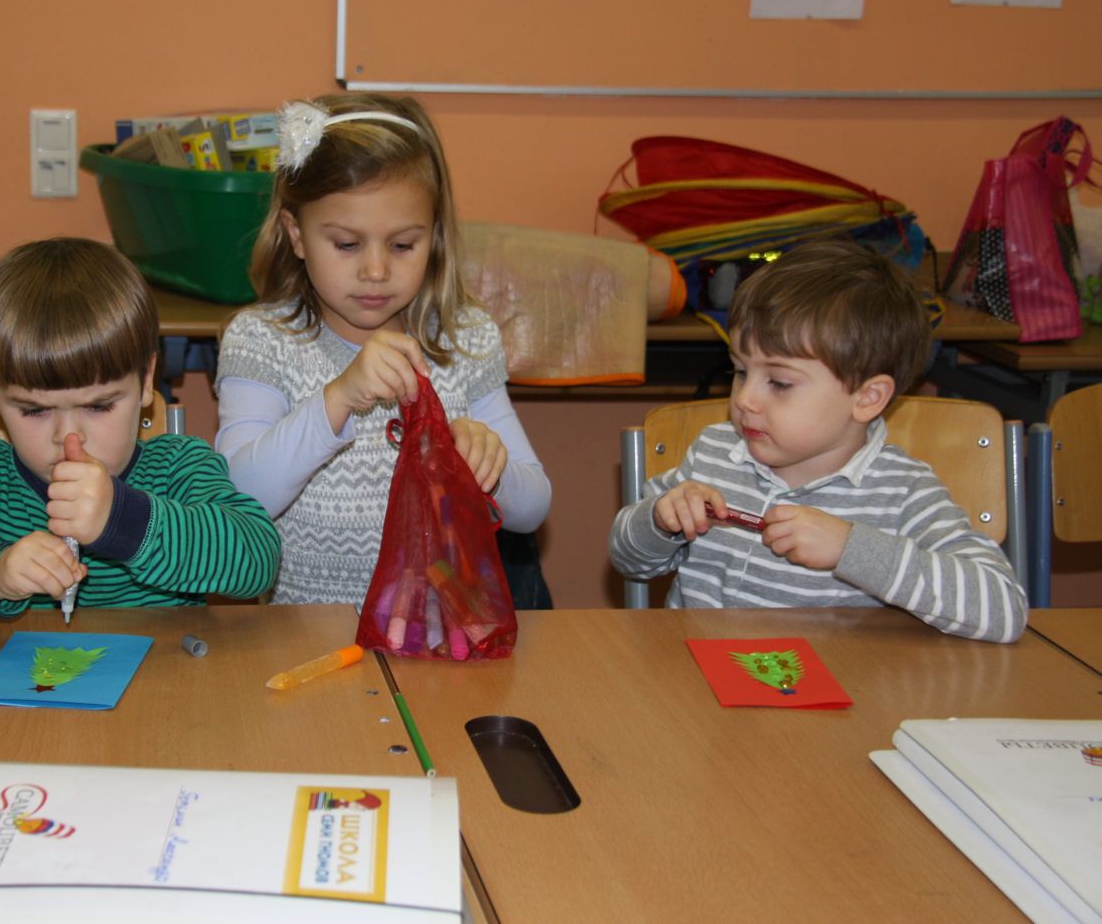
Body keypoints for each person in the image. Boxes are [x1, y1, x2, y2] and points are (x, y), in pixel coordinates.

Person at [214, 93, 551, 605]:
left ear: (434, 237)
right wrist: (338, 398)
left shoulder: (463, 339)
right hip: (303, 635)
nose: (376, 271)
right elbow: (237, 499)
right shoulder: (262, 342)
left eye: (402, 245)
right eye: (347, 244)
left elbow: (534, 508)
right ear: (296, 234)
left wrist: (491, 467)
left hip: (440, 632)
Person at [0, 237, 280, 631]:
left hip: (160, 687)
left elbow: (258, 559)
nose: (68, 437)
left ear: (146, 379)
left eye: (99, 406)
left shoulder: (177, 467)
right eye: (34, 410)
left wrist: (123, 521)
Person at [609, 240, 1027, 643]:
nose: (745, 398)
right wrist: (659, 521)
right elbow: (629, 561)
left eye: (779, 382)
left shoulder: (902, 491)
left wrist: (851, 549)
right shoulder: (713, 454)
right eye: (741, 371)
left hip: (837, 688)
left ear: (867, 398)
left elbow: (1004, 610)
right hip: (696, 677)